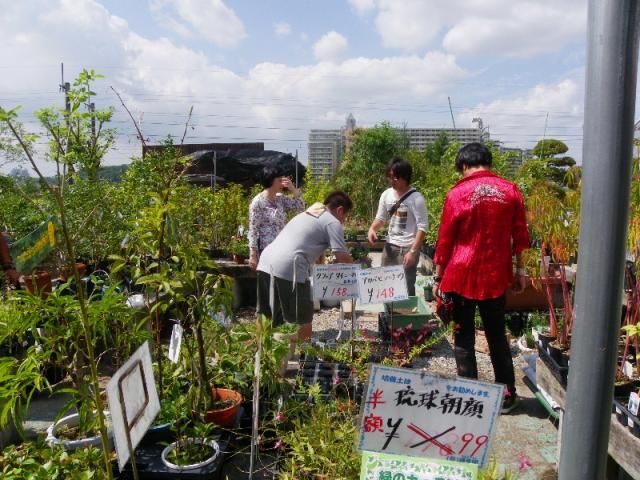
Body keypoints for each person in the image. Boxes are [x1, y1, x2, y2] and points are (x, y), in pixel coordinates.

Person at [432, 142, 530, 414]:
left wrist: (438, 278)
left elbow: (445, 240)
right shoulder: (510, 190)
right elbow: (520, 236)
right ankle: (507, 396)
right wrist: (521, 271)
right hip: (496, 275)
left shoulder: (457, 192)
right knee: (497, 336)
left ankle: (469, 396)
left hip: (461, 274)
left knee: (463, 337)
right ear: (488, 162)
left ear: (464, 165)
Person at [257, 191, 354, 342]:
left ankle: (264, 357)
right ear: (340, 210)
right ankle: (303, 358)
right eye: (345, 216)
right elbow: (342, 257)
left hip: (264, 263)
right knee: (303, 321)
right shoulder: (332, 221)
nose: (344, 220)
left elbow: (307, 243)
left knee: (267, 317)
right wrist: (358, 272)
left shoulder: (307, 214)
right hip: (289, 268)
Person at [367, 157, 428, 296]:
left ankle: (406, 315)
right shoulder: (386, 194)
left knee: (405, 286)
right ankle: (388, 315)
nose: (391, 180)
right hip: (390, 246)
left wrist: (413, 252)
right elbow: (381, 218)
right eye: (389, 176)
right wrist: (372, 229)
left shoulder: (416, 198)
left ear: (405, 177)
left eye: (395, 177)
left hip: (407, 248)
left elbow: (422, 227)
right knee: (386, 285)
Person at [248, 165, 304, 271]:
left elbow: (300, 206)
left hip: (282, 249)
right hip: (266, 250)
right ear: (271, 181)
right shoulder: (258, 202)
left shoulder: (280, 198)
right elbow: (253, 230)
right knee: (268, 283)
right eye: (280, 180)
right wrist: (253, 254)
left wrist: (293, 190)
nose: (283, 183)